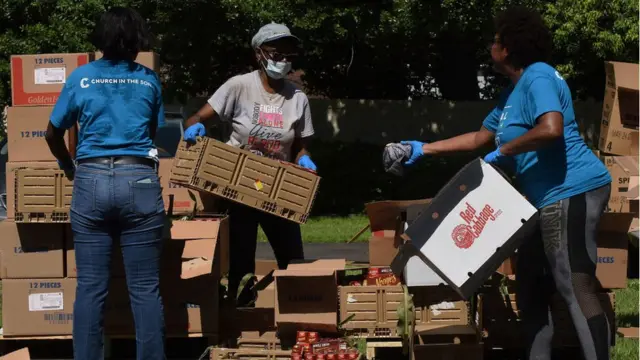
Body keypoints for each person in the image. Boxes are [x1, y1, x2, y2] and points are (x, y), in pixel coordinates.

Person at [400, 6, 612, 360]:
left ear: (509, 47)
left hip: (573, 189)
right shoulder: (511, 95)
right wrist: (422, 148)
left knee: (574, 284)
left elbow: (550, 129)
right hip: (541, 201)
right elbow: (478, 138)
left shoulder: (539, 77)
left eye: (495, 40)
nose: (490, 46)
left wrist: (506, 150)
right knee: (529, 285)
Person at [45, 7, 166, 360]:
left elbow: (52, 132)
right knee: (145, 289)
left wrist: (68, 167)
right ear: (136, 41)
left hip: (91, 179)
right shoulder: (148, 79)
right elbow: (152, 133)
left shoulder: (81, 78)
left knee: (91, 288)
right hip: (139, 179)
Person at [182, 22, 316, 304]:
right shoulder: (239, 86)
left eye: (289, 55)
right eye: (276, 53)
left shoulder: (298, 98)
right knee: (241, 263)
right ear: (259, 53)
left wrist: (305, 160)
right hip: (239, 188)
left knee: (293, 260)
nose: (283, 60)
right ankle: (239, 322)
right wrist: (195, 129)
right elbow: (195, 118)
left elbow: (300, 147)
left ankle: (299, 316)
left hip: (278, 191)